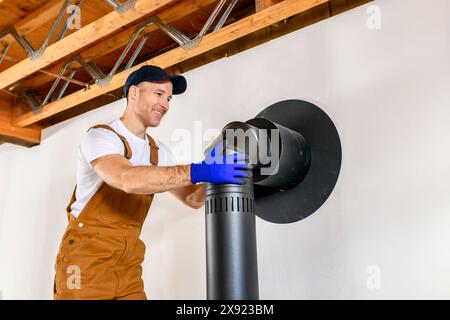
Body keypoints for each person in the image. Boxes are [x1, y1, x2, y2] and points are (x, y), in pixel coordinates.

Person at [53, 65, 249, 300]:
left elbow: (191, 198)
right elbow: (126, 179)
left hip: (127, 267)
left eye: (168, 98)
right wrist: (199, 170)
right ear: (134, 93)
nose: (165, 104)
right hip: (85, 263)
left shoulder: (158, 152)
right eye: (158, 94)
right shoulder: (102, 137)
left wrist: (214, 174)